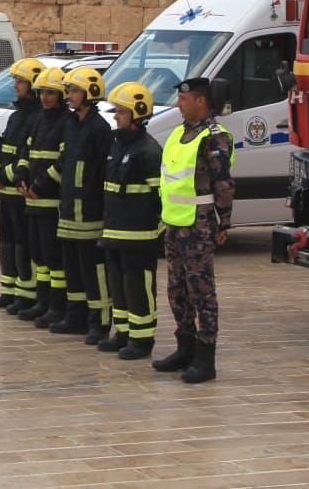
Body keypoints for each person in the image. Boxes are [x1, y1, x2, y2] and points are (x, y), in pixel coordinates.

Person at [154, 77, 235, 384]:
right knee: (177, 290)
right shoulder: (179, 133)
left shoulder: (214, 138)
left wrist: (224, 222)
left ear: (201, 101)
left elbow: (223, 184)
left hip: (199, 224)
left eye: (184, 100)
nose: (179, 104)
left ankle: (206, 356)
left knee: (202, 292)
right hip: (175, 222)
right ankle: (184, 347)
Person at [98, 82, 164, 361]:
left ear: (138, 113)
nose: (116, 116)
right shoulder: (116, 145)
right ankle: (123, 332)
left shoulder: (149, 151)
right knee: (119, 285)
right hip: (114, 231)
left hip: (140, 236)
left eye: (122, 112)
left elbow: (159, 197)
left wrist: (157, 232)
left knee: (138, 287)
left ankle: (142, 338)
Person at [48, 67, 113, 341]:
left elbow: (101, 172)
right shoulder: (71, 123)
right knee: (72, 267)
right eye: (69, 90)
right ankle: (76, 316)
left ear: (90, 93)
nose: (69, 96)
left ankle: (99, 321)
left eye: (74, 90)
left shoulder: (99, 128)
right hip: (68, 210)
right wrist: (40, 185)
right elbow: (64, 162)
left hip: (89, 212)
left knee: (93, 269)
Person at [0, 58, 44, 312]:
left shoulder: (37, 117)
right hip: (5, 192)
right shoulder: (17, 115)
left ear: (33, 84)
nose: (16, 86)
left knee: (23, 243)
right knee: (6, 241)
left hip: (21, 192)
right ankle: (8, 290)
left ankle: (25, 294)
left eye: (20, 81)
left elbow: (27, 154)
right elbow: (3, 144)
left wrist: (7, 174)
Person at [13, 67, 69, 327]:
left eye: (50, 93)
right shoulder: (40, 119)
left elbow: (62, 161)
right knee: (38, 256)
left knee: (53, 258)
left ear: (61, 95)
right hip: (32, 199)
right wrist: (21, 175)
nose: (45, 97)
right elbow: (27, 149)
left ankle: (56, 307)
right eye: (42, 92)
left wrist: (40, 184)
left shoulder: (65, 122)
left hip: (50, 201)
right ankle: (43, 303)